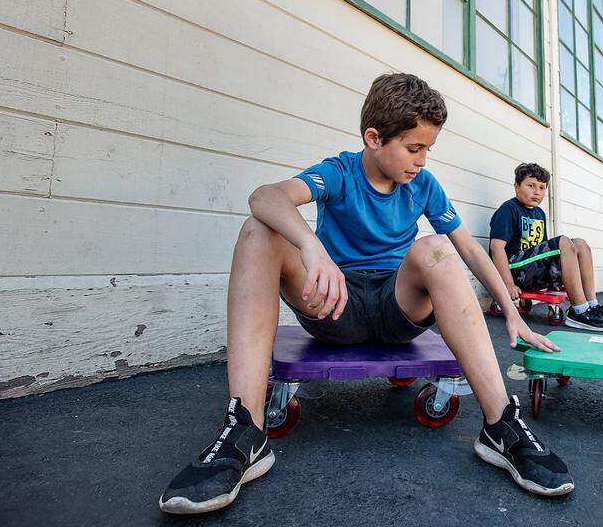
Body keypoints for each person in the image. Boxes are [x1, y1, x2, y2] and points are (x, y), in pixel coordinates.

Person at [159, 73, 575, 514]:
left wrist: (511, 310)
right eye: (414, 149)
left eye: (428, 149)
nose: (422, 161)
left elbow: (470, 250)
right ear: (374, 138)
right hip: (337, 307)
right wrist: (311, 247)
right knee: (258, 231)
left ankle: (500, 425)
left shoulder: (423, 185)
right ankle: (245, 429)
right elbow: (265, 196)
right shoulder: (339, 172)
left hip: (398, 309)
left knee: (436, 247)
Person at [489, 162, 603, 331]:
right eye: (531, 186)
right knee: (563, 241)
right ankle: (579, 311)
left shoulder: (539, 214)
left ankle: (591, 305)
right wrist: (507, 283)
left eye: (542, 187)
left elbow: (543, 251)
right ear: (516, 187)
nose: (537, 192)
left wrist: (554, 281)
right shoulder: (509, 209)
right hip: (514, 270)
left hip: (531, 269)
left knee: (580, 244)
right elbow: (496, 247)